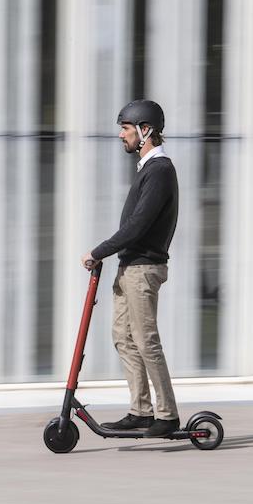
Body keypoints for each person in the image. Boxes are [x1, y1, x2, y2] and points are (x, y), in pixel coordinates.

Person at [80, 99, 180, 438]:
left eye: (125, 128)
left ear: (145, 130)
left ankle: (167, 415)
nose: (121, 135)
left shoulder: (160, 170)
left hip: (143, 268)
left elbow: (137, 226)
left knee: (145, 339)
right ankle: (141, 411)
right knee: (123, 337)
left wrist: (99, 251)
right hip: (130, 266)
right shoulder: (148, 170)